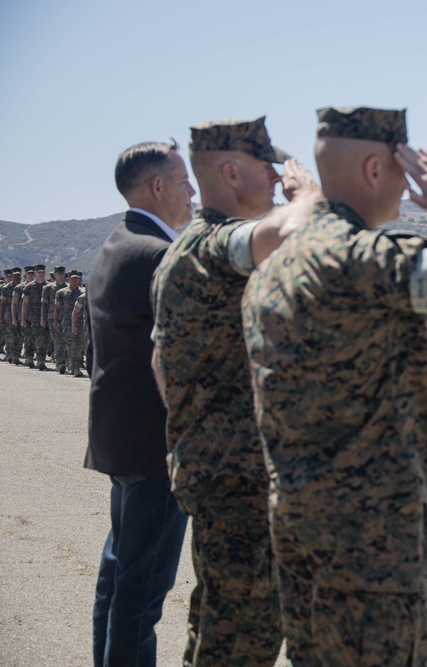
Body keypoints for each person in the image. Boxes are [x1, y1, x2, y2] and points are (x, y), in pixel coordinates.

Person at [241, 106, 427, 665]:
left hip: (297, 512)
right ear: (373, 169)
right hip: (365, 535)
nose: (407, 183)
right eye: (401, 167)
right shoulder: (363, 259)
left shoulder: (273, 266)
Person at [152, 117, 318, 666]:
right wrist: (310, 197)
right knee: (242, 639)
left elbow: (159, 361)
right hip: (235, 478)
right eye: (266, 167)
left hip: (227, 470)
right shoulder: (213, 247)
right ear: (230, 171)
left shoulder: (194, 252)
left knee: (221, 629)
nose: (276, 178)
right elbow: (288, 232)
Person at [85, 139, 193, 667]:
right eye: (184, 179)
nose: (192, 189)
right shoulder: (159, 255)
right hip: (156, 444)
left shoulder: (116, 245)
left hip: (123, 439)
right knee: (142, 592)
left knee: (119, 577)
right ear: (158, 187)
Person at [55, 271, 86, 376]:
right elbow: (57, 308)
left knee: (79, 346)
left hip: (82, 323)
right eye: (73, 278)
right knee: (71, 344)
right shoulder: (62, 293)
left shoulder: (83, 293)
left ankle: (72, 365)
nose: (75, 280)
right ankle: (75, 368)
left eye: (77, 278)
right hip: (68, 322)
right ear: (68, 279)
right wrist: (55, 321)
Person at [42, 266, 68, 372]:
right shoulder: (48, 288)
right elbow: (44, 305)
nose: (61, 275)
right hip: (53, 318)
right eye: (59, 273)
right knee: (58, 340)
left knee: (67, 341)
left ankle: (68, 362)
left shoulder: (69, 287)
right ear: (55, 275)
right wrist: (43, 318)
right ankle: (60, 363)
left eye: (62, 273)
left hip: (66, 319)